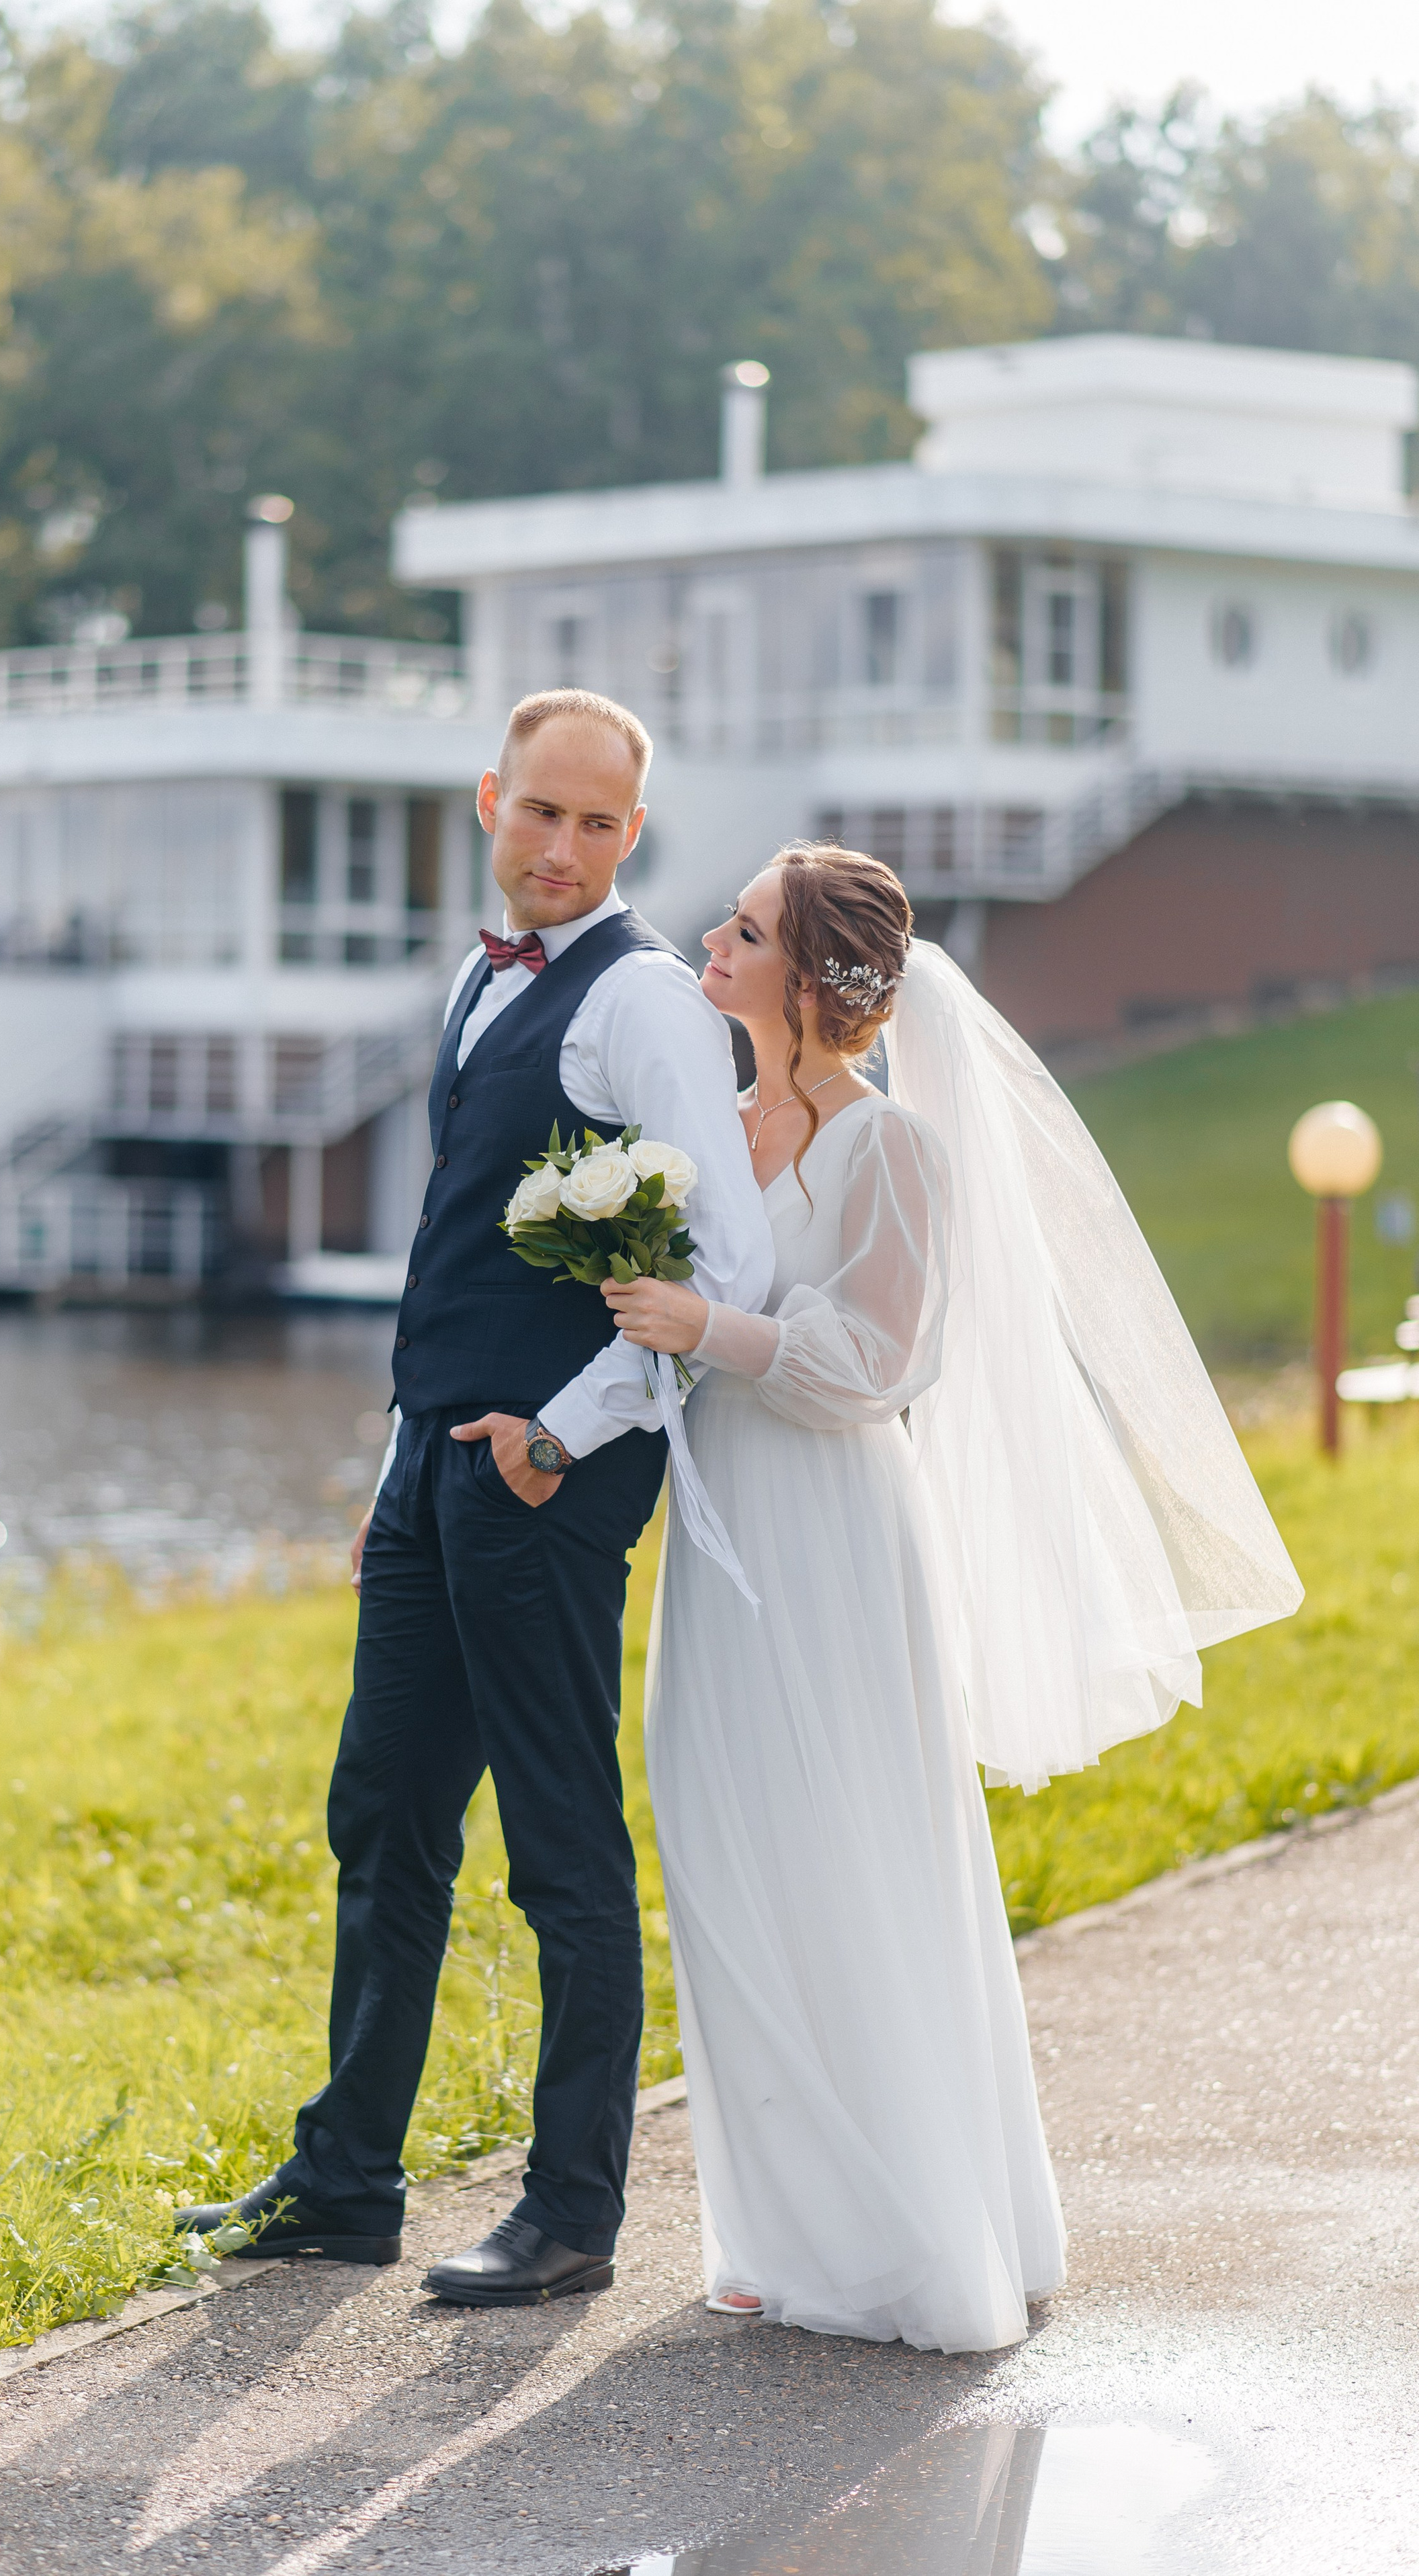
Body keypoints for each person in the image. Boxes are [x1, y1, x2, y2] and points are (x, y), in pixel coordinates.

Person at [603, 844, 1303, 2352]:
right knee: (727, 1853)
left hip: (835, 1535)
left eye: (745, 929)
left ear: (808, 980)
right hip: (720, 1540)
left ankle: (907, 2237)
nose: (711, 937)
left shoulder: (891, 1150)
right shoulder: (708, 1135)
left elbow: (878, 1365)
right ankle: (779, 2225)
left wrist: (708, 1328)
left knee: (850, 1855)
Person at [175, 690, 774, 2305]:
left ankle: (571, 2209)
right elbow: (455, 1244)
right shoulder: (471, 976)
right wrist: (401, 1459)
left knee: (558, 1839)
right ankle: (345, 2180)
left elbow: (728, 1268)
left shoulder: (642, 1002)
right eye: (539, 812)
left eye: (597, 823)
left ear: (630, 833)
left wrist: (556, 1436)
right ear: (488, 802)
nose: (562, 846)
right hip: (427, 1472)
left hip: (545, 1482)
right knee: (381, 1812)